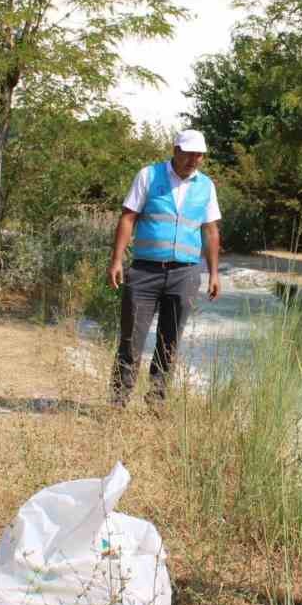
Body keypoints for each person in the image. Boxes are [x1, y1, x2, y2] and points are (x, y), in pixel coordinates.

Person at [106, 129, 222, 407]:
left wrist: (214, 273)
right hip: (144, 272)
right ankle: (118, 401)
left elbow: (211, 231)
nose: (194, 160)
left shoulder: (206, 186)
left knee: (170, 341)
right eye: (189, 153)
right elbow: (128, 218)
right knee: (131, 337)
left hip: (185, 273)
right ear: (175, 150)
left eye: (199, 155)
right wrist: (117, 260)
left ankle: (156, 401)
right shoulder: (148, 175)